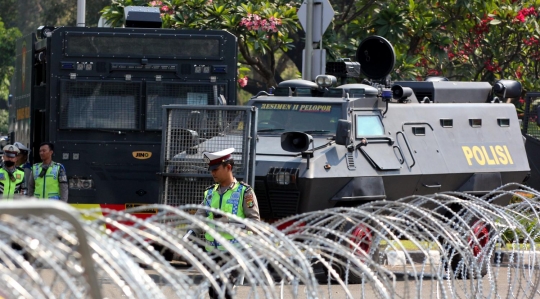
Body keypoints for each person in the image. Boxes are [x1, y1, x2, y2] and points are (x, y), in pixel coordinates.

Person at [185, 147, 260, 299]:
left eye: (216, 169)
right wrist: (189, 234)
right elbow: (201, 216)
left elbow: (255, 223)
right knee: (214, 291)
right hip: (212, 252)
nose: (212, 173)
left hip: (235, 251)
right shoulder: (210, 192)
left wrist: (230, 222)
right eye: (211, 169)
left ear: (228, 167)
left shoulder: (244, 192)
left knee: (223, 289)